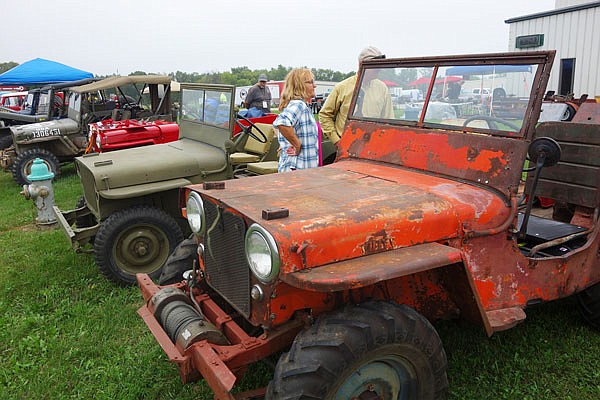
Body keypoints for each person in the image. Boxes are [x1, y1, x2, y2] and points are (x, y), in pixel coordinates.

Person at [319, 46, 393, 146]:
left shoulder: (382, 88)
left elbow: (388, 120)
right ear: (361, 64)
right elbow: (325, 115)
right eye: (374, 65)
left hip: (373, 145)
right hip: (346, 144)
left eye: (379, 65)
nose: (378, 69)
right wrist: (337, 141)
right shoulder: (342, 87)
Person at [273, 68, 319, 173]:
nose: (314, 85)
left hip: (299, 171)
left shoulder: (298, 105)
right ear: (300, 86)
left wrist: (285, 142)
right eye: (310, 82)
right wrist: (296, 144)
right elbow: (281, 122)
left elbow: (277, 125)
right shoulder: (299, 105)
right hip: (298, 171)